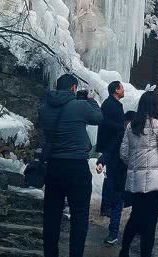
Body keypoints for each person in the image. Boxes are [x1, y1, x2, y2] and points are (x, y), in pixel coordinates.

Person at [39, 73, 103, 257]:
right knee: (80, 216)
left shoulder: (44, 108)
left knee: (52, 216)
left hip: (54, 167)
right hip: (76, 167)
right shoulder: (80, 105)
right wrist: (90, 99)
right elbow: (98, 117)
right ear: (74, 88)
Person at [118, 91, 158, 257]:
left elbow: (123, 153)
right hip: (155, 183)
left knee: (135, 217)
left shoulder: (131, 126)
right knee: (150, 224)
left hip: (136, 181)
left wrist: (135, 167)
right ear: (155, 106)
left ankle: (124, 251)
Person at [96, 110, 135, 246]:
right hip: (125, 176)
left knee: (118, 205)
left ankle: (115, 234)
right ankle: (118, 233)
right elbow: (110, 151)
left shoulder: (125, 136)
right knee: (121, 205)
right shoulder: (125, 136)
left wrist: (102, 161)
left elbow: (109, 151)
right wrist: (101, 161)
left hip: (122, 176)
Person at [97, 81, 126, 223]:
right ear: (116, 90)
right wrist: (121, 128)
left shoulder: (113, 104)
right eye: (121, 87)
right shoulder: (109, 104)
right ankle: (106, 206)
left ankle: (107, 204)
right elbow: (105, 123)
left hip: (113, 145)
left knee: (111, 176)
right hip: (111, 146)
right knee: (111, 176)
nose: (123, 89)